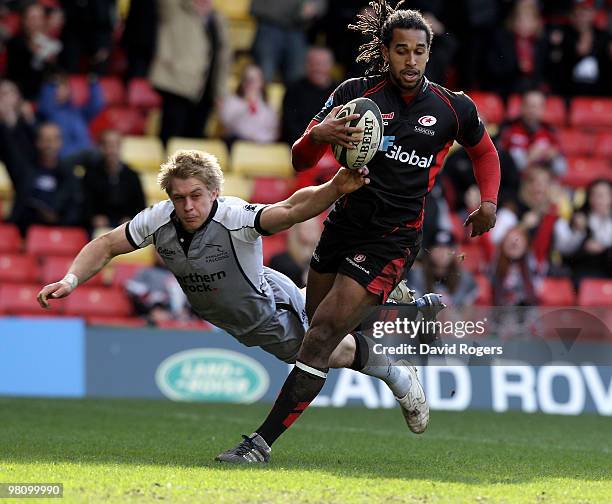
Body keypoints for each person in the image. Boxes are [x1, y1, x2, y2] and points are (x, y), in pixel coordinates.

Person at [219, 3, 500, 464]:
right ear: (386, 52)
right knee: (318, 329)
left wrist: (488, 202)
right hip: (343, 225)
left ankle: (260, 444)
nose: (411, 61)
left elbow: (484, 153)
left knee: (322, 335)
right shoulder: (355, 95)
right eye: (401, 51)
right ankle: (396, 372)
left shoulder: (452, 107)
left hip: (394, 237)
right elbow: (300, 161)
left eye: (419, 52)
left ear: (429, 54)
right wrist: (319, 133)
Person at [36, 149, 443, 463]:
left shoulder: (234, 216)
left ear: (214, 192)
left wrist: (334, 189)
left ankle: (396, 370)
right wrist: (71, 279)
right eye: (179, 198)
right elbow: (107, 243)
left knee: (330, 350)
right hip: (253, 307)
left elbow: (287, 211)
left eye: (196, 196)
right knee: (329, 332)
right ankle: (386, 303)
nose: (188, 206)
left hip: (268, 313)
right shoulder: (158, 219)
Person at [150, 0, 231, 145]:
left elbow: (224, 57)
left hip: (206, 91)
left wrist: (220, 91)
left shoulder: (218, 18)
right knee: (171, 139)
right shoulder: (175, 9)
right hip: (176, 85)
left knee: (195, 143)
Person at [0, 121, 83, 234]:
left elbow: (75, 209)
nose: (50, 145)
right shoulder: (25, 170)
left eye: (54, 140)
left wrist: (57, 218)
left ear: (60, 143)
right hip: (25, 231)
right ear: (37, 142)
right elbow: (8, 147)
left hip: (60, 232)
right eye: (45, 140)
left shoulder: (68, 174)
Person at [79, 129, 146, 230]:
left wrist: (131, 219)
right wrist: (93, 218)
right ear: (101, 148)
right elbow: (84, 203)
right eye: (108, 145)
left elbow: (141, 206)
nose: (112, 150)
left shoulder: (132, 176)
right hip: (98, 226)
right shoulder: (91, 174)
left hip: (126, 226)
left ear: (121, 148)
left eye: (116, 145)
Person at [554, 179, 612, 285]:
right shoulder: (579, 216)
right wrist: (578, 233)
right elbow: (563, 249)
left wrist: (605, 248)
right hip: (584, 269)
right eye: (594, 195)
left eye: (602, 195)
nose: (598, 199)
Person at [498, 89, 566, 176]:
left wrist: (553, 158)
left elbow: (562, 170)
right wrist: (529, 157)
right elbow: (499, 166)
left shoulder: (550, 133)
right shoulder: (508, 130)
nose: (532, 111)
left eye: (537, 107)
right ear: (521, 107)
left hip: (543, 184)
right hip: (515, 184)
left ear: (543, 109)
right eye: (529, 106)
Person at [37, 73, 105, 158]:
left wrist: (93, 84)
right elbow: (45, 105)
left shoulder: (77, 111)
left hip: (87, 155)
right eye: (57, 87)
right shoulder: (49, 112)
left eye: (64, 87)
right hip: (65, 158)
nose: (61, 90)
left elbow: (97, 106)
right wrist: (51, 84)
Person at [281, 47, 337, 145]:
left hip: (333, 147)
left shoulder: (341, 91)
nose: (317, 68)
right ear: (306, 65)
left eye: (322, 64)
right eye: (313, 63)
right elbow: (289, 125)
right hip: (301, 145)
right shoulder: (293, 90)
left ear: (331, 66)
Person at [219, 64, 278, 144]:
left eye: (254, 80)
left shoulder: (267, 107)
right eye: (247, 79)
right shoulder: (231, 102)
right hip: (236, 145)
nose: (250, 83)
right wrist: (248, 107)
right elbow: (230, 127)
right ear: (242, 81)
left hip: (261, 147)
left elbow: (273, 132)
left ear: (261, 83)